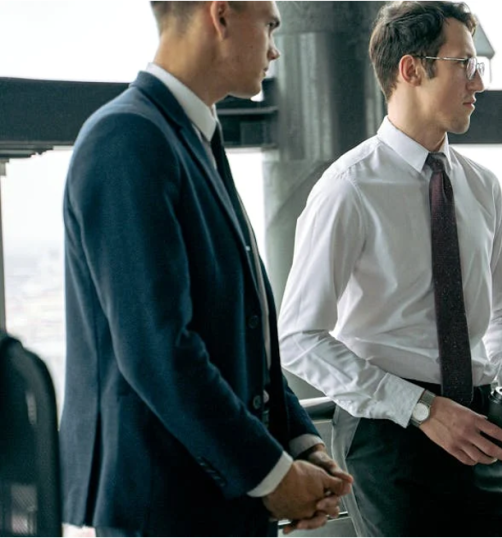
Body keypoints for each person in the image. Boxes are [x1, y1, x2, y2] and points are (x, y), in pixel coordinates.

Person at [61, 0, 353, 535]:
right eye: (268, 25)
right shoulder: (127, 138)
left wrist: (298, 442)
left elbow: (239, 332)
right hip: (165, 510)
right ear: (220, 16)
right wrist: (271, 474)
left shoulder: (190, 137)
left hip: (220, 503)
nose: (274, 49)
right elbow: (157, 349)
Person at [278, 1, 502, 536]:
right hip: (390, 438)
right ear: (412, 69)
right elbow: (299, 337)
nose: (479, 82)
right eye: (465, 63)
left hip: (482, 425)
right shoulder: (348, 188)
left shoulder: (482, 186)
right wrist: (421, 408)